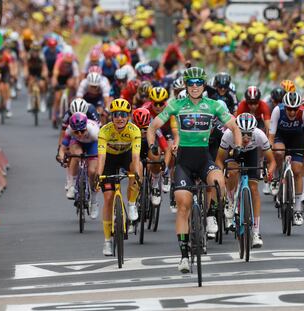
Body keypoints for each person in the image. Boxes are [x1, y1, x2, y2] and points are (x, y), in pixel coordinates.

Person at [147, 67, 241, 273]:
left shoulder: (214, 105)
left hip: (204, 158)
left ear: (204, 85)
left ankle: (210, 214)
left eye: (199, 83)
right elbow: (153, 126)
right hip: (184, 162)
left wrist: (239, 147)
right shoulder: (176, 105)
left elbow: (235, 127)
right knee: (183, 205)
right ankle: (183, 256)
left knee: (218, 184)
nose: (195, 87)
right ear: (186, 86)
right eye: (191, 83)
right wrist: (153, 145)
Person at [215, 113, 276, 247]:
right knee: (232, 171)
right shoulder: (228, 135)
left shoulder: (260, 135)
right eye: (242, 134)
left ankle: (256, 232)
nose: (246, 138)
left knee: (254, 189)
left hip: (251, 154)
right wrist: (220, 173)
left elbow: (272, 161)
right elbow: (219, 160)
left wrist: (269, 173)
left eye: (249, 134)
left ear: (254, 130)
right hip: (233, 152)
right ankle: (230, 201)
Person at [97, 99, 142, 255]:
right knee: (108, 198)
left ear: (128, 116)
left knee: (138, 168)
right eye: (116, 115)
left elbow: (135, 157)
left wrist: (136, 174)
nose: (120, 118)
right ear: (112, 116)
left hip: (126, 156)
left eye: (123, 115)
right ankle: (107, 241)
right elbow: (101, 158)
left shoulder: (134, 130)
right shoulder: (104, 131)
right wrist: (98, 176)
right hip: (109, 159)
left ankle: (131, 204)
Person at [268, 92, 304, 226]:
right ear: (285, 107)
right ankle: (276, 179)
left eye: (295, 109)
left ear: (298, 108)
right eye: (289, 109)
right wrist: (269, 150)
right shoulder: (277, 110)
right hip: (280, 137)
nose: (292, 112)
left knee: (297, 170)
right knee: (279, 152)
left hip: (296, 138)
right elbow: (271, 135)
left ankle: (298, 210)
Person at [58, 112, 100, 219]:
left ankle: (94, 202)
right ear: (72, 129)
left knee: (92, 171)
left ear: (86, 127)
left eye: (82, 130)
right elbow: (62, 149)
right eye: (76, 132)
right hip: (77, 144)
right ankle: (72, 184)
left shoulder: (95, 132)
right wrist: (62, 158)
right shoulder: (69, 130)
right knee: (76, 155)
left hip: (93, 143)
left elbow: (102, 151)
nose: (80, 134)